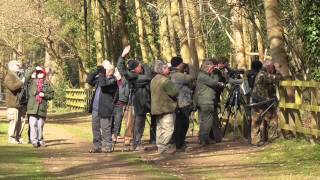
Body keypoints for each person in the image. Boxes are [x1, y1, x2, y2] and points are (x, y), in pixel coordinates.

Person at [117, 45, 152, 151]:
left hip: (142, 101)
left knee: (139, 123)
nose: (141, 67)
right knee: (137, 123)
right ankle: (136, 143)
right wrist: (122, 56)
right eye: (139, 67)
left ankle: (136, 142)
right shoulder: (134, 76)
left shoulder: (136, 74)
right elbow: (122, 69)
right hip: (138, 102)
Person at [86, 60, 118, 153]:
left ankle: (108, 146)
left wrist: (102, 74)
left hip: (105, 108)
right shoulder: (100, 78)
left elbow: (104, 86)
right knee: (95, 128)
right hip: (96, 108)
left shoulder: (113, 81)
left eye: (105, 71)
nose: (103, 73)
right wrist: (97, 71)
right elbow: (89, 80)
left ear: (109, 71)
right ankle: (97, 146)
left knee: (105, 128)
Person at [250, 60, 282, 146]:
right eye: (272, 67)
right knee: (272, 118)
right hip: (263, 101)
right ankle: (272, 138)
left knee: (256, 121)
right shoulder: (263, 74)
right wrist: (278, 70)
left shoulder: (261, 73)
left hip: (257, 100)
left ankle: (255, 140)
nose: (273, 69)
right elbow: (277, 78)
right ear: (268, 67)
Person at [151, 60, 178, 154]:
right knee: (168, 128)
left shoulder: (153, 79)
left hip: (157, 108)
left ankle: (160, 146)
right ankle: (164, 147)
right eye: (166, 68)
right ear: (161, 69)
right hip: (166, 108)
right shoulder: (166, 81)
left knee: (160, 128)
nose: (168, 69)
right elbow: (174, 92)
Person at [195, 59, 225, 146]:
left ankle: (203, 139)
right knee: (207, 122)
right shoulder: (203, 76)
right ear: (207, 68)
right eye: (211, 69)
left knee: (205, 122)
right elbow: (214, 83)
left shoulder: (203, 75)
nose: (212, 70)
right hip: (206, 102)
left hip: (205, 101)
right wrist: (215, 73)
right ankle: (204, 140)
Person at [169, 56, 196, 151]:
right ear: (179, 64)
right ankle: (179, 144)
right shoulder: (178, 75)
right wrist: (191, 67)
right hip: (182, 103)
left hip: (180, 102)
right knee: (183, 124)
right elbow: (192, 77)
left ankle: (179, 142)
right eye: (182, 63)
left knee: (179, 124)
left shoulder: (174, 74)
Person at [26, 66, 54, 148]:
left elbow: (52, 95)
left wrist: (44, 95)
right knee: (33, 124)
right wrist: (34, 68)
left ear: (44, 74)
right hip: (32, 107)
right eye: (38, 73)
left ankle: (40, 140)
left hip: (42, 107)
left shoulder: (46, 83)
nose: (39, 74)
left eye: (41, 73)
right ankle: (34, 141)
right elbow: (27, 76)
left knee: (40, 125)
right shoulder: (31, 82)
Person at [4, 60, 25, 144]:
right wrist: (21, 82)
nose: (19, 67)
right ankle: (11, 138)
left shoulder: (16, 76)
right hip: (12, 104)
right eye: (17, 65)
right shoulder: (9, 76)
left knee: (20, 121)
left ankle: (17, 137)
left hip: (18, 103)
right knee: (13, 121)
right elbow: (12, 87)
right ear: (11, 66)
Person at [112, 68, 129, 141]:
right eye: (116, 72)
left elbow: (126, 90)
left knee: (118, 119)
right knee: (112, 118)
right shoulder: (112, 80)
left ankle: (116, 134)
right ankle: (113, 133)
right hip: (112, 102)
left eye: (119, 72)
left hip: (120, 102)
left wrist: (125, 99)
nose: (117, 73)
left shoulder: (124, 80)